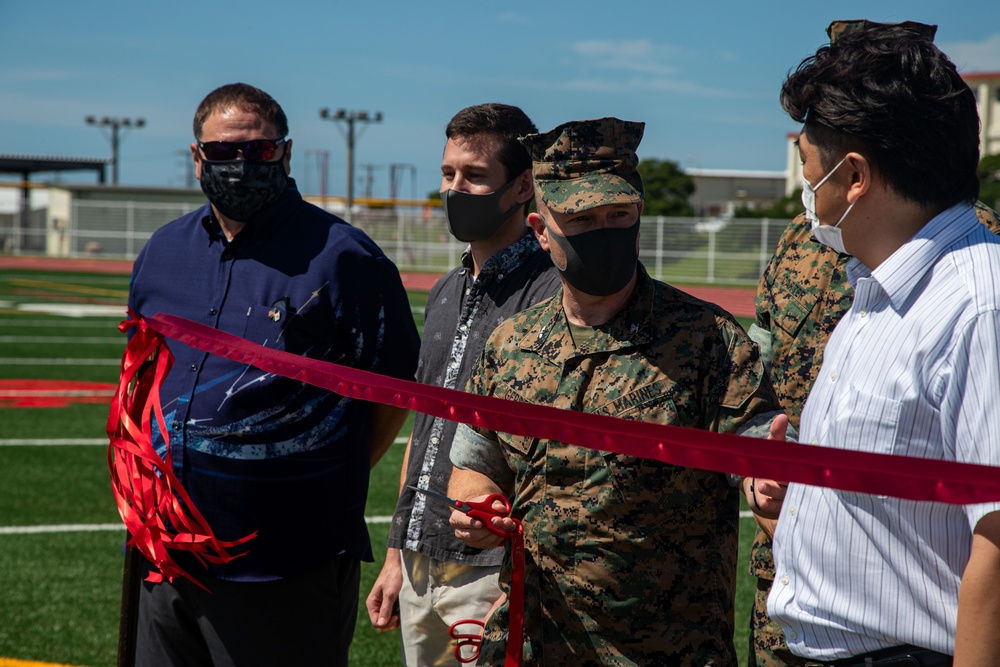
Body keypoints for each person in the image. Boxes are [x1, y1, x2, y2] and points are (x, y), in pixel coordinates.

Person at [446, 116, 785, 666]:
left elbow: (757, 460)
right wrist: (476, 507)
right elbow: (474, 461)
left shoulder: (709, 339)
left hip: (667, 652)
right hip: (536, 643)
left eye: (618, 216)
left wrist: (766, 481)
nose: (603, 232)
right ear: (539, 229)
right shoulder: (511, 344)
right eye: (581, 220)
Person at [126, 82, 420, 667]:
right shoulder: (163, 250)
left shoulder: (343, 257)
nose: (240, 165)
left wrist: (313, 476)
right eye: (223, 152)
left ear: (285, 153)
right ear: (196, 156)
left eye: (258, 151)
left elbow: (394, 392)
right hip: (164, 554)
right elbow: (141, 373)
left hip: (283, 561)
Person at [746, 19, 1000, 667]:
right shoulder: (877, 287)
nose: (809, 191)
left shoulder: (979, 304)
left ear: (853, 175)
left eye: (809, 167)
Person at [365, 103, 561, 665]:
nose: (456, 188)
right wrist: (398, 554)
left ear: (523, 185)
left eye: (474, 175)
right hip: (422, 558)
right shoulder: (445, 291)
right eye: (448, 173)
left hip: (493, 567)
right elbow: (425, 429)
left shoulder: (552, 293)